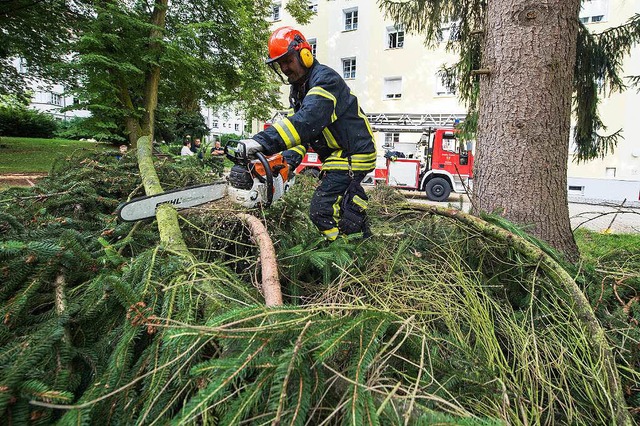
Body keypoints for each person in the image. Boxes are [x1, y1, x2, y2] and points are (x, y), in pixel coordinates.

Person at [242, 26, 375, 240]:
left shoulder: (325, 80)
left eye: (288, 60)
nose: (285, 68)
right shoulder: (299, 88)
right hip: (336, 154)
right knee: (345, 206)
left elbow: (306, 122)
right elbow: (303, 136)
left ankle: (340, 250)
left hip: (353, 154)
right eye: (280, 64)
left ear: (304, 54)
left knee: (321, 210)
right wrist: (286, 162)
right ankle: (359, 236)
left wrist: (260, 142)